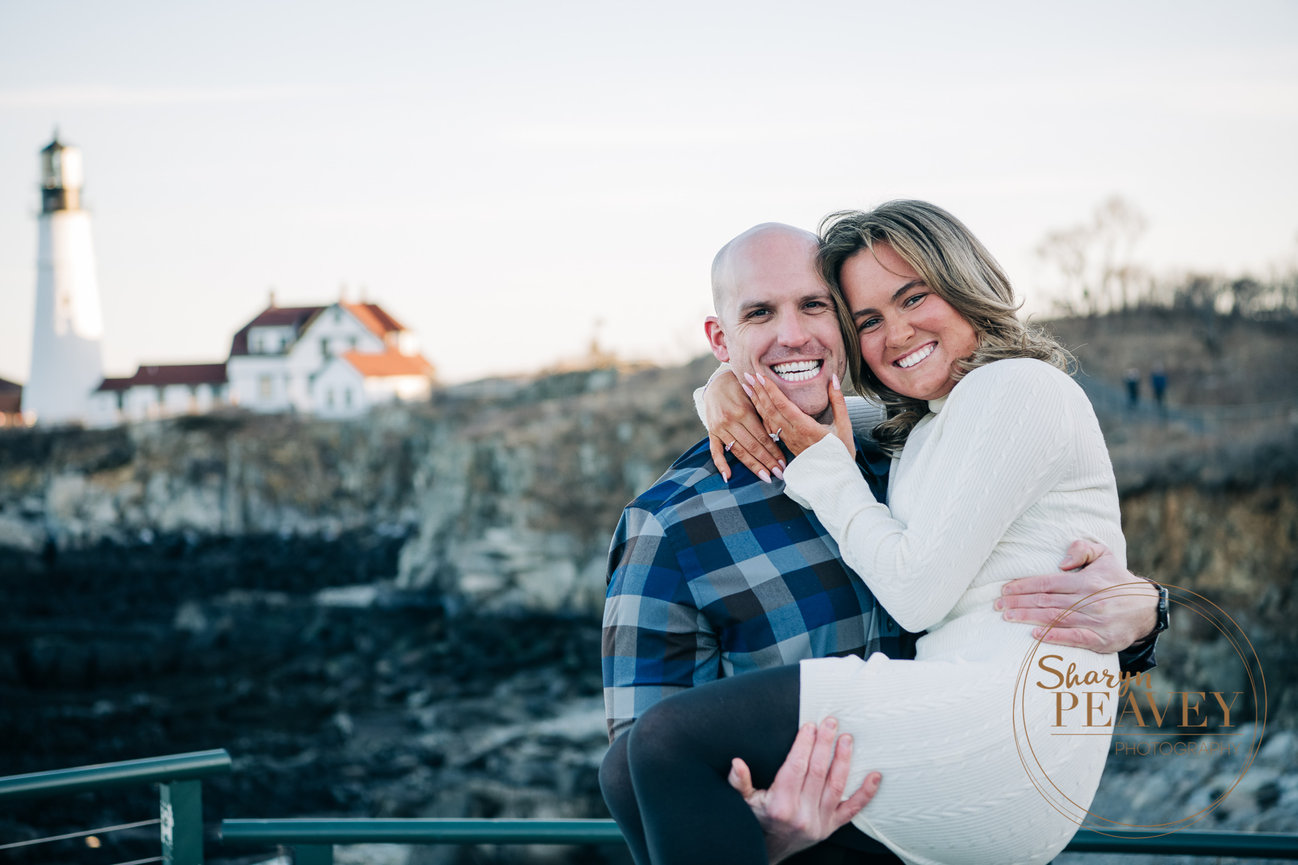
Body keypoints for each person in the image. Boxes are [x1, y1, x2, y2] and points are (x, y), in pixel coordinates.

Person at [601, 219, 1164, 864]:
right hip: (831, 834)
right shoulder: (672, 524)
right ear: (719, 337)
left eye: (815, 306)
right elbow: (646, 778)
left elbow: (1033, 575)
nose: (792, 333)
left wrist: (1150, 610)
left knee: (665, 746)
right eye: (759, 313)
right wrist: (766, 839)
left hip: (964, 772)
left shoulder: (879, 452)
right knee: (633, 761)